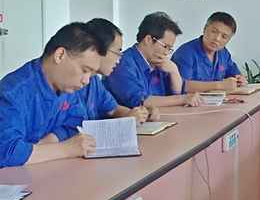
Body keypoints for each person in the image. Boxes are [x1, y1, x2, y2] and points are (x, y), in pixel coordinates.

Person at [0, 23, 100, 167]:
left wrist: (45, 146)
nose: (86, 81)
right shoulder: (13, 93)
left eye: (91, 74)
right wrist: (66, 149)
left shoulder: (67, 88)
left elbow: (76, 122)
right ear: (60, 55)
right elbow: (7, 152)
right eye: (84, 70)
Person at [105, 12, 203, 108]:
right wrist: (183, 99)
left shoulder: (160, 63)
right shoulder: (122, 64)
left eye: (170, 49)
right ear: (148, 39)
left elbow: (175, 95)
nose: (167, 53)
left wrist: (174, 72)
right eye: (165, 46)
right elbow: (140, 101)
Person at [79, 18, 159, 123]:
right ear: (98, 49)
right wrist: (128, 119)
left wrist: (140, 114)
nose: (119, 59)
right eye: (117, 52)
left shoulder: (94, 81)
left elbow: (113, 109)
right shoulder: (71, 83)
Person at [172, 11, 247, 93]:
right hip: (188, 100)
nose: (217, 38)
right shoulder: (185, 53)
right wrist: (219, 85)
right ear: (204, 29)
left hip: (217, 99)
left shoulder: (224, 53)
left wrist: (240, 80)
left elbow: (234, 74)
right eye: (214, 32)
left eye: (224, 36)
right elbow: (180, 86)